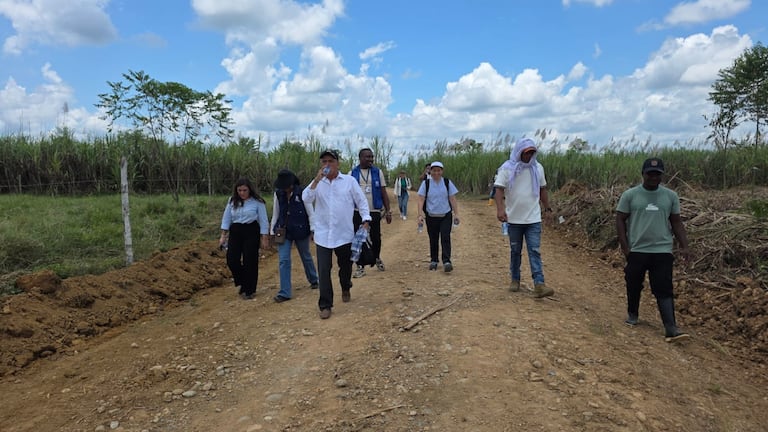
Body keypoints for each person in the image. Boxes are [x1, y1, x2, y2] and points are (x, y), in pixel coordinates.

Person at [616, 157, 691, 343]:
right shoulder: (630, 195)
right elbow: (620, 219)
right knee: (633, 283)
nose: (653, 177)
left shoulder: (670, 196)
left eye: (657, 174)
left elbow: (676, 222)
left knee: (663, 287)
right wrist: (625, 247)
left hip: (662, 250)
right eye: (650, 173)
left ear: (661, 176)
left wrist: (685, 246)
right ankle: (633, 314)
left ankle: (670, 327)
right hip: (638, 249)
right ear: (643, 174)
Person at [303, 149, 371, 319]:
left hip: (344, 234)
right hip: (323, 235)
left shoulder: (349, 181)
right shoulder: (317, 183)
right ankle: (325, 305)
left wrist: (366, 218)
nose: (327, 165)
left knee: (345, 266)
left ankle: (346, 286)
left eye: (330, 161)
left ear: (337, 163)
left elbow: (361, 201)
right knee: (324, 270)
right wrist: (316, 181)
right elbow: (306, 198)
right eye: (324, 162)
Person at [493, 138, 554, 298]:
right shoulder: (507, 169)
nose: (529, 156)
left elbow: (543, 190)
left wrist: (547, 208)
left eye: (532, 153)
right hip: (513, 219)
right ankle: (515, 279)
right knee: (515, 251)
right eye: (526, 153)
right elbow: (499, 190)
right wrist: (500, 209)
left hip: (533, 218)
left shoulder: (537, 168)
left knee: (534, 250)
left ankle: (539, 284)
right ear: (520, 152)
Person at [269, 169, 319, 303]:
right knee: (284, 260)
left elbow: (311, 213)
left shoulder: (303, 193)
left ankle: (314, 279)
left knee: (306, 256)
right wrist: (272, 232)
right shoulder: (278, 194)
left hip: (301, 230)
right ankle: (285, 291)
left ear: (291, 184)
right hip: (283, 231)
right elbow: (276, 213)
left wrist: (313, 229)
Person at [219, 178, 270, 300]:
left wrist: (264, 237)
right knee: (232, 260)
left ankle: (249, 289)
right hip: (236, 231)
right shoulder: (232, 201)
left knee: (250, 260)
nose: (242, 193)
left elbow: (263, 220)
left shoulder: (257, 202)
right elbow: (226, 218)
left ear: (249, 189)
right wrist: (223, 235)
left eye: (244, 190)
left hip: (251, 230)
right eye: (239, 190)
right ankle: (243, 281)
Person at [350, 148, 392, 277]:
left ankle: (376, 257)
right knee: (359, 239)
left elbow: (383, 192)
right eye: (367, 157)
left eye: (371, 157)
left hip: (374, 210)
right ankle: (360, 266)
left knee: (376, 238)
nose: (370, 159)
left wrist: (388, 210)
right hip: (358, 211)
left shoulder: (377, 172)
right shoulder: (352, 173)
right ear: (360, 158)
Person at [416, 161, 460, 272]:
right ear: (430, 171)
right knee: (433, 238)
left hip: (445, 215)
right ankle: (434, 260)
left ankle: (446, 261)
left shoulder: (447, 182)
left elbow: (452, 198)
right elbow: (421, 199)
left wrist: (456, 214)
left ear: (442, 171)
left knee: (445, 237)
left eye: (438, 170)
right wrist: (420, 215)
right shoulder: (426, 184)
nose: (436, 173)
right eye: (434, 170)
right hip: (431, 216)